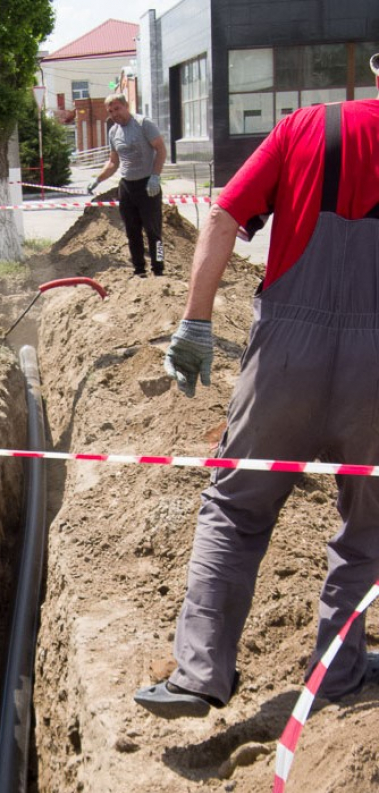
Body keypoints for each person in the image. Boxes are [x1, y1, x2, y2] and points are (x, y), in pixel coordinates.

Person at [134, 56, 379, 720]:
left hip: (284, 363)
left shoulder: (307, 127)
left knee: (236, 506)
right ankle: (338, 672)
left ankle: (198, 674)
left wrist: (196, 324)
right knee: (367, 531)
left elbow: (222, 220)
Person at [88, 93, 166, 277]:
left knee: (154, 232)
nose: (115, 114)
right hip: (127, 187)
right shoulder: (113, 132)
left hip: (148, 185)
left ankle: (159, 269)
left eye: (117, 109)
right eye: (110, 111)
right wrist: (97, 179)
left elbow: (161, 149)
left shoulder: (143, 124)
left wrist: (155, 176)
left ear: (126, 106)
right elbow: (113, 162)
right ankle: (139, 270)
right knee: (132, 232)